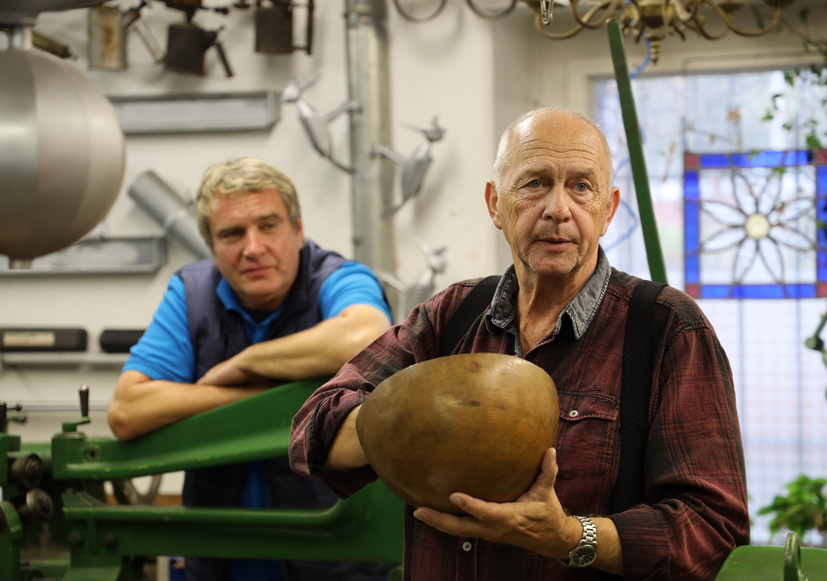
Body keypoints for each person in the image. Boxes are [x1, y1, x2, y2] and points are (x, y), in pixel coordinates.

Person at [289, 107, 750, 580]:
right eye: (534, 183)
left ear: (608, 210)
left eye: (581, 186)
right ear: (495, 204)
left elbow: (713, 533)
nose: (557, 209)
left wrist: (570, 538)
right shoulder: (454, 313)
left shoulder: (665, 327)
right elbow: (311, 431)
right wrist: (412, 414)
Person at [108, 157, 395, 581]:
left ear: (297, 230)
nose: (253, 248)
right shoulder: (190, 294)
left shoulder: (339, 278)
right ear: (210, 244)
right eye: (231, 233)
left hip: (333, 561)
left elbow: (365, 335)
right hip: (220, 561)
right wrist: (267, 395)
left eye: (269, 225)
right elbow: (128, 409)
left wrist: (242, 363)